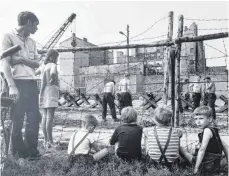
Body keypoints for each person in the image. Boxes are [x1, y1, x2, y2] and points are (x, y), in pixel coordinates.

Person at [0, 11, 41, 158]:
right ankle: (18, 152)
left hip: (31, 83)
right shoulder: (8, 37)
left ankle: (32, 151)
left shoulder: (32, 42)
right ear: (29, 22)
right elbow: (5, 63)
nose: (37, 29)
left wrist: (21, 60)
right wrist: (11, 85)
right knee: (17, 118)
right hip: (16, 83)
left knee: (34, 118)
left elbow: (37, 63)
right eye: (35, 25)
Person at [182, 106, 228, 174]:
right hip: (215, 165)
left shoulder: (207, 131)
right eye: (196, 119)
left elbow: (202, 150)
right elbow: (225, 146)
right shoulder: (214, 131)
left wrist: (196, 168)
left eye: (201, 118)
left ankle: (182, 163)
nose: (198, 122)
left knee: (181, 150)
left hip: (207, 164)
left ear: (209, 119)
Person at [143, 105, 184, 169]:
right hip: (173, 163)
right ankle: (173, 154)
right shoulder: (177, 131)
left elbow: (144, 130)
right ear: (170, 119)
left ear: (155, 120)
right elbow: (181, 133)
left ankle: (149, 155)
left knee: (146, 137)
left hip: (154, 162)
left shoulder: (148, 130)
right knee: (176, 138)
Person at [36, 49, 59, 148]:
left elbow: (35, 72)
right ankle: (51, 141)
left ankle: (46, 141)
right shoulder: (53, 65)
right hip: (51, 91)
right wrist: (52, 79)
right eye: (55, 57)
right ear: (51, 57)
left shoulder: (43, 66)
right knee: (50, 117)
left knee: (44, 117)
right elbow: (53, 73)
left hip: (43, 92)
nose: (56, 59)